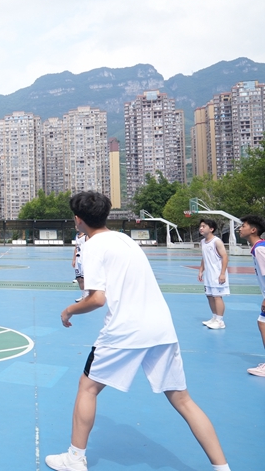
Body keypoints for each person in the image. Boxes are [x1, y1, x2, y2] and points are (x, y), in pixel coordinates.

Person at [46, 191, 229, 471]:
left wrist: (69, 310)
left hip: (125, 329)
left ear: (78, 219)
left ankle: (75, 458)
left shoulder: (92, 245)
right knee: (183, 399)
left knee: (87, 388)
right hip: (161, 327)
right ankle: (222, 467)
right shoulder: (125, 239)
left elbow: (96, 298)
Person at [238, 214, 265, 377]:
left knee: (262, 323)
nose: (241, 228)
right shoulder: (258, 248)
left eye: (244, 226)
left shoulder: (260, 249)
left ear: (253, 230)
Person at [198, 218, 230, 330]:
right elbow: (204, 257)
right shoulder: (202, 242)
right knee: (209, 296)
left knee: (217, 297)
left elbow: (225, 257)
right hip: (209, 274)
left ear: (211, 229)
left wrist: (222, 274)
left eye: (204, 226)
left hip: (217, 274)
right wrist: (201, 270)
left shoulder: (217, 241)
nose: (201, 228)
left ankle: (220, 321)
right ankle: (214, 317)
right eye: (200, 226)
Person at [72, 232, 89, 302]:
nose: (76, 226)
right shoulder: (77, 235)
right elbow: (76, 247)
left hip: (84, 260)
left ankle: (87, 296)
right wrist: (74, 259)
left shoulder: (86, 236)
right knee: (79, 278)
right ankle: (83, 295)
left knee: (84, 278)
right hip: (78, 259)